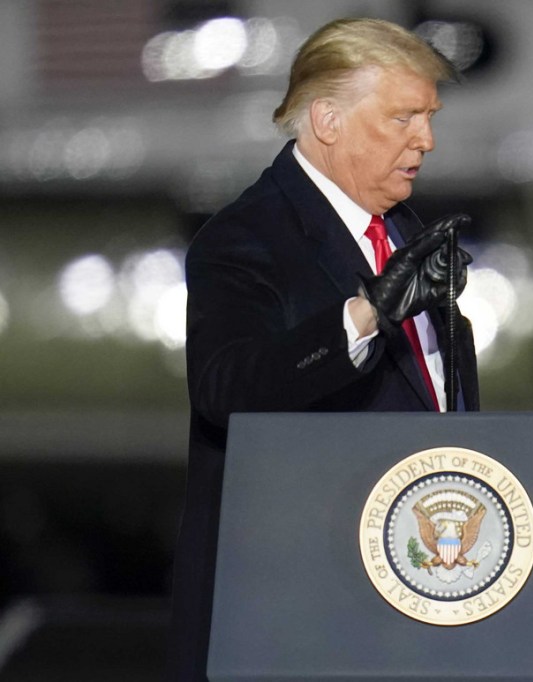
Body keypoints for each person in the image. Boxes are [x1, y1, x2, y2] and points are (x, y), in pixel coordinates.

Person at [167, 18, 478, 680]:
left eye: (428, 117)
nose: (426, 140)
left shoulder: (408, 232)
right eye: (402, 118)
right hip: (299, 615)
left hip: (420, 604)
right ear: (327, 119)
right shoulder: (245, 238)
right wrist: (367, 314)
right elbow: (227, 389)